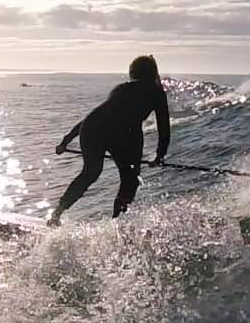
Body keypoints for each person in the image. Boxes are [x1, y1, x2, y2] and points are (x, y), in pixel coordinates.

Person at [48, 55, 171, 225]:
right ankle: (116, 223)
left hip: (91, 128)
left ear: (133, 73)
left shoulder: (121, 88)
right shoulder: (157, 93)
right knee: (130, 179)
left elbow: (96, 116)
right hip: (117, 132)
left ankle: (57, 214)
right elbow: (164, 128)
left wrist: (66, 141)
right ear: (153, 74)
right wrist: (159, 156)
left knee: (90, 172)